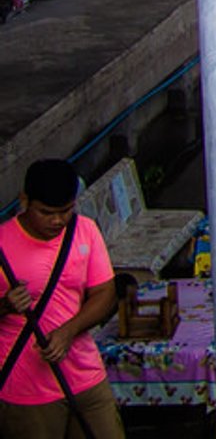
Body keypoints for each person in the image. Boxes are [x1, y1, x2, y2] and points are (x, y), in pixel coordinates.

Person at [0, 158, 125, 439]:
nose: (57, 221)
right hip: (26, 389)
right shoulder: (2, 243)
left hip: (86, 376)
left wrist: (68, 331)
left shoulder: (85, 230)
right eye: (46, 212)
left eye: (65, 211)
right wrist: (6, 305)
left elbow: (104, 293)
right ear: (24, 201)